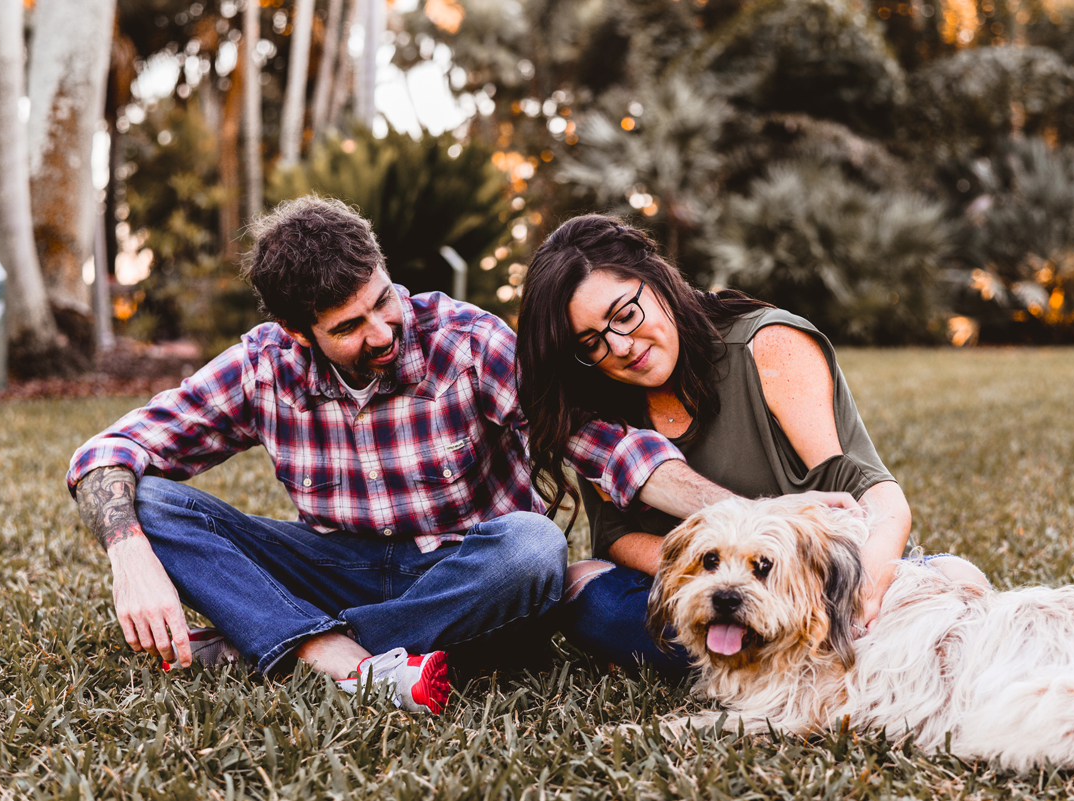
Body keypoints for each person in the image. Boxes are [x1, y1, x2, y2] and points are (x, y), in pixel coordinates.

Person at [67, 197, 735, 714]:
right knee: (149, 499)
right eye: (350, 326)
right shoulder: (261, 366)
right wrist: (127, 549)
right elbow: (108, 451)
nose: (383, 329)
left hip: (471, 581)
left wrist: (743, 514)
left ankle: (284, 645)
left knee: (535, 546)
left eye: (382, 299)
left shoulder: (468, 340)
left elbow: (612, 446)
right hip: (335, 563)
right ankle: (334, 656)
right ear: (299, 334)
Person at [516, 214, 985, 677]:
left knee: (926, 599)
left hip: (814, 583)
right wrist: (713, 578)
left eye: (624, 314)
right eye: (592, 341)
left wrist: (864, 588)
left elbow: (873, 495)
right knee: (586, 598)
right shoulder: (593, 402)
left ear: (655, 279)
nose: (619, 346)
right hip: (697, 592)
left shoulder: (769, 345)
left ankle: (883, 610)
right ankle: (798, 655)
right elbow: (617, 538)